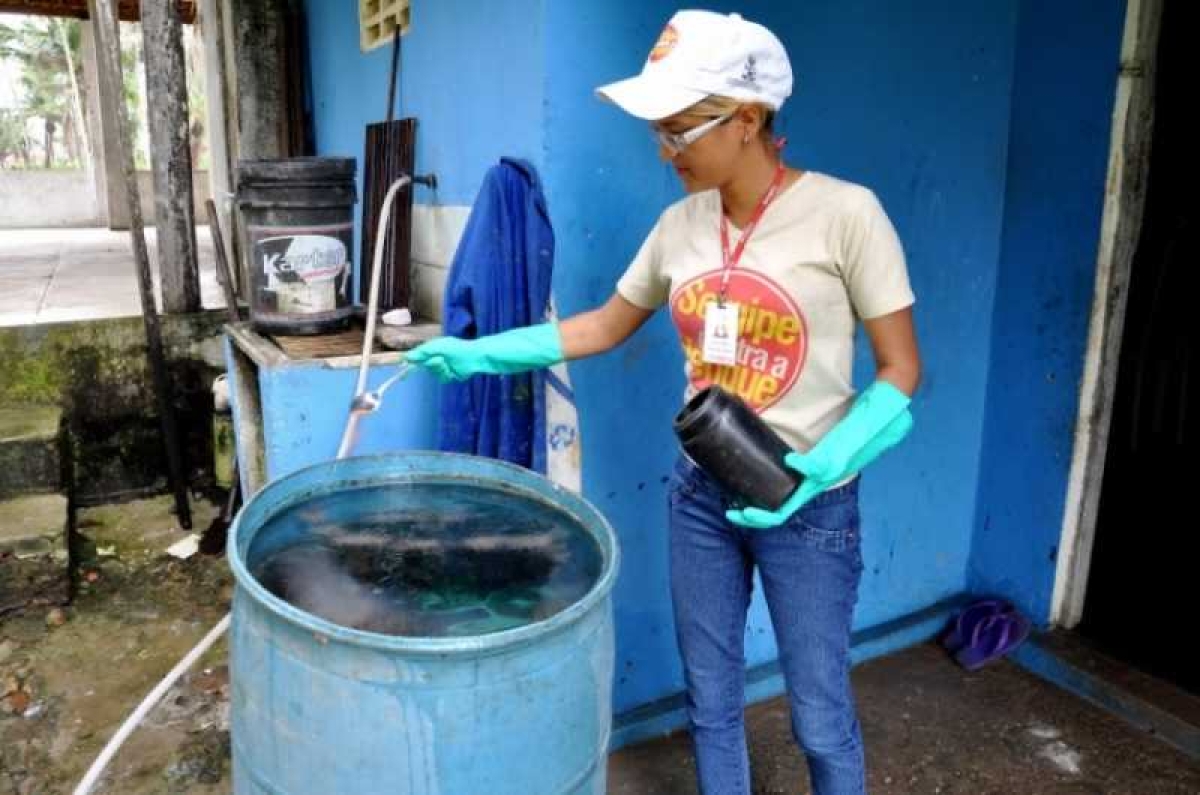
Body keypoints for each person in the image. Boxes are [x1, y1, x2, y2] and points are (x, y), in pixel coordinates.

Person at [405, 10, 920, 794]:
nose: (663, 148)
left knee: (818, 713)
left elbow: (900, 369)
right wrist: (480, 351)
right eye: (659, 129)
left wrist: (828, 463)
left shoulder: (848, 215)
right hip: (701, 497)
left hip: (809, 505)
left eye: (679, 128)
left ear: (747, 121)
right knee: (710, 703)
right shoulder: (679, 224)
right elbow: (605, 325)